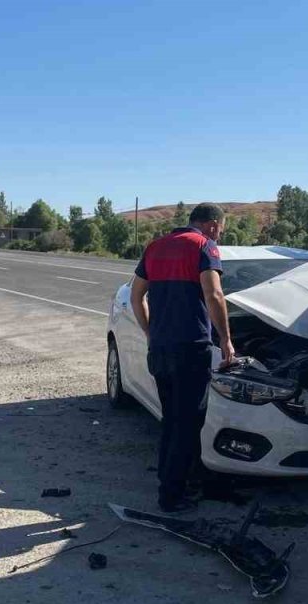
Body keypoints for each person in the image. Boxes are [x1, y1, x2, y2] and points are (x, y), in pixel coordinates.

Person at [130, 203, 235, 514]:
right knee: (188, 424)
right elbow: (214, 294)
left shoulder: (155, 247)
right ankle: (172, 496)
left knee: (172, 421)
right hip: (191, 348)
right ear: (213, 225)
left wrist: (150, 332)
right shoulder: (205, 246)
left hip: (160, 349)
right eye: (221, 229)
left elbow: (137, 296)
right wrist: (227, 340)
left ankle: (173, 481)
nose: (220, 234)